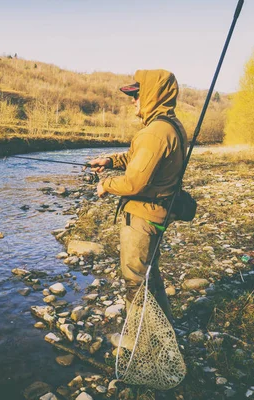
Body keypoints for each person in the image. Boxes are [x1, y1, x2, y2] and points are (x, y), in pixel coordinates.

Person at [89, 69, 187, 321]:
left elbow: (134, 183)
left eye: (136, 95)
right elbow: (137, 159)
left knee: (136, 281)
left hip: (143, 217)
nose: (133, 100)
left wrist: (106, 185)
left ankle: (140, 342)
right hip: (157, 212)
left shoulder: (154, 133)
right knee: (150, 275)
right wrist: (110, 161)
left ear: (153, 95)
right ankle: (164, 332)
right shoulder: (167, 126)